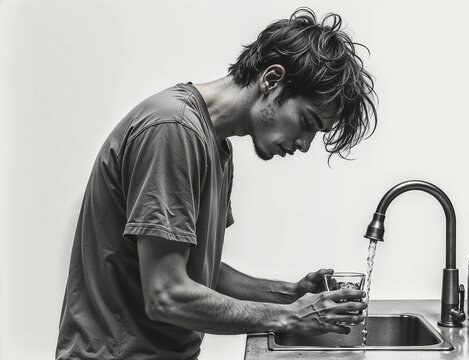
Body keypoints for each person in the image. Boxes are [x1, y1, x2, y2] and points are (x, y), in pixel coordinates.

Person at [56, 7, 378, 360]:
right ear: (271, 80)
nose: (304, 144)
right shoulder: (172, 130)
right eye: (307, 122)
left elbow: (198, 272)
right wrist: (291, 316)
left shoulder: (215, 145)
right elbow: (167, 294)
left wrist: (289, 293)